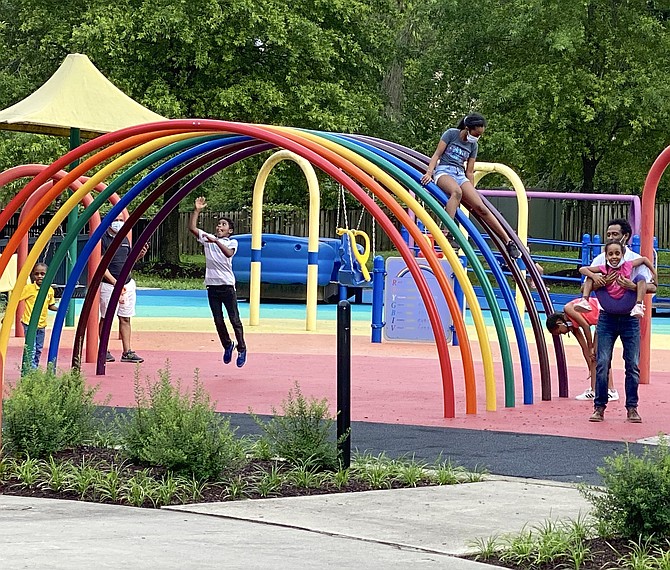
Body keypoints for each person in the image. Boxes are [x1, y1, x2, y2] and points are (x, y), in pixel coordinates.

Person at [420, 113, 522, 259]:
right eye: (476, 133)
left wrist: (472, 191)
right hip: (444, 171)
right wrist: (429, 173)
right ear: (468, 128)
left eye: (480, 134)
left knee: (481, 208)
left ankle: (508, 242)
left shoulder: (473, 145)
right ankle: (446, 234)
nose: (478, 137)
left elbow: (469, 171)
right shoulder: (451, 134)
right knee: (456, 192)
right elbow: (436, 155)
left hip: (460, 174)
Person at [189, 197, 247, 367]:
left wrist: (216, 241)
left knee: (234, 319)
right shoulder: (208, 239)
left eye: (223, 225)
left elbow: (229, 253)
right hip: (212, 287)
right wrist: (197, 210)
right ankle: (227, 345)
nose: (219, 227)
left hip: (227, 286)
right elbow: (192, 228)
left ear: (230, 230)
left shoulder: (231, 242)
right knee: (218, 320)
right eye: (219, 224)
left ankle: (242, 348)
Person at [546, 298, 617, 401]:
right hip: (601, 320)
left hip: (606, 314)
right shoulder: (572, 326)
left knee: (599, 354)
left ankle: (611, 390)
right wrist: (590, 367)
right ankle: (593, 390)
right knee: (594, 356)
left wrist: (591, 347)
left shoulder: (568, 309)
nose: (564, 334)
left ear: (559, 322)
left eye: (560, 332)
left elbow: (585, 326)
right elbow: (584, 348)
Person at [100, 213, 147, 363]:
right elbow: (101, 266)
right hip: (109, 285)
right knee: (106, 317)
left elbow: (127, 262)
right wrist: (115, 283)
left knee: (126, 317)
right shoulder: (103, 240)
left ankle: (127, 351)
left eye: (121, 220)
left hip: (126, 284)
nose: (119, 223)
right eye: (116, 220)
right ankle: (103, 349)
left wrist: (138, 256)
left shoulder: (125, 239)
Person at [575, 240, 656, 319]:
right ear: (606, 256)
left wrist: (654, 273)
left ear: (623, 255)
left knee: (641, 278)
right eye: (610, 254)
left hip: (625, 300)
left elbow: (644, 259)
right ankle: (584, 300)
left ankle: (638, 305)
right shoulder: (604, 268)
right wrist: (594, 276)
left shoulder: (627, 265)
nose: (614, 257)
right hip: (608, 301)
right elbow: (582, 269)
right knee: (590, 277)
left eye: (617, 254)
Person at [19, 262, 57, 368]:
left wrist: (59, 309)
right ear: (33, 275)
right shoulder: (29, 288)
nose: (39, 276)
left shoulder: (50, 290)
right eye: (37, 274)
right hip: (29, 323)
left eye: (42, 274)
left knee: (39, 349)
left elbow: (50, 305)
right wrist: (7, 317)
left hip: (42, 324)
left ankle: (33, 367)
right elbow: (16, 300)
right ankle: (31, 370)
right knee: (32, 347)